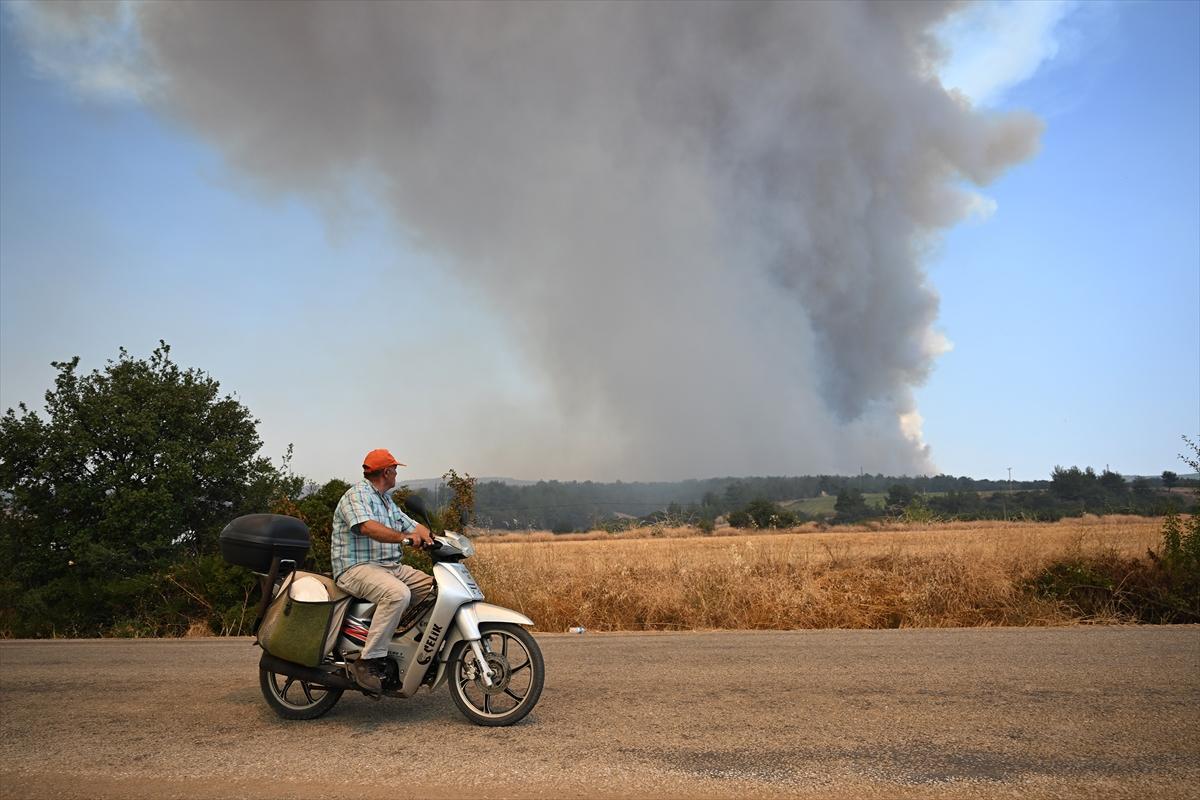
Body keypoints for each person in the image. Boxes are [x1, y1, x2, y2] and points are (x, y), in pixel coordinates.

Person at [331, 448, 435, 694]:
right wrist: (404, 538)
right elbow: (367, 527)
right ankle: (368, 661)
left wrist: (435, 538)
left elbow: (413, 525)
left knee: (435, 588)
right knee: (397, 594)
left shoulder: (387, 501)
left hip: (389, 568)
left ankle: (404, 646)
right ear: (386, 472)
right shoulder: (356, 496)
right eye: (395, 469)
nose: (397, 473)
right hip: (355, 568)